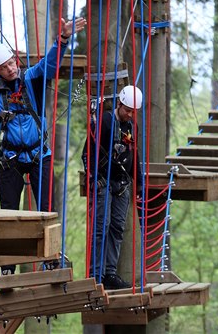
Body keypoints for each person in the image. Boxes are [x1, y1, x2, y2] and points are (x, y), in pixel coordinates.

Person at [0, 17, 86, 274]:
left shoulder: (31, 78)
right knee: (9, 214)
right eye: (4, 67)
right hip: (11, 159)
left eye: (12, 63)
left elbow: (49, 63)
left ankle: (50, 258)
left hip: (39, 155)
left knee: (46, 211)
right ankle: (7, 265)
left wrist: (63, 40)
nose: (11, 69)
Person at [82, 85, 143, 290]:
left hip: (122, 182)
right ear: (119, 104)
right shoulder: (105, 121)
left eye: (134, 111)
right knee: (102, 226)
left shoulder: (131, 126)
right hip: (103, 180)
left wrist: (139, 182)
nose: (130, 114)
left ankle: (109, 273)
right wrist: (92, 177)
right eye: (127, 110)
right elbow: (88, 151)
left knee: (117, 228)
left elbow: (134, 155)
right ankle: (95, 274)